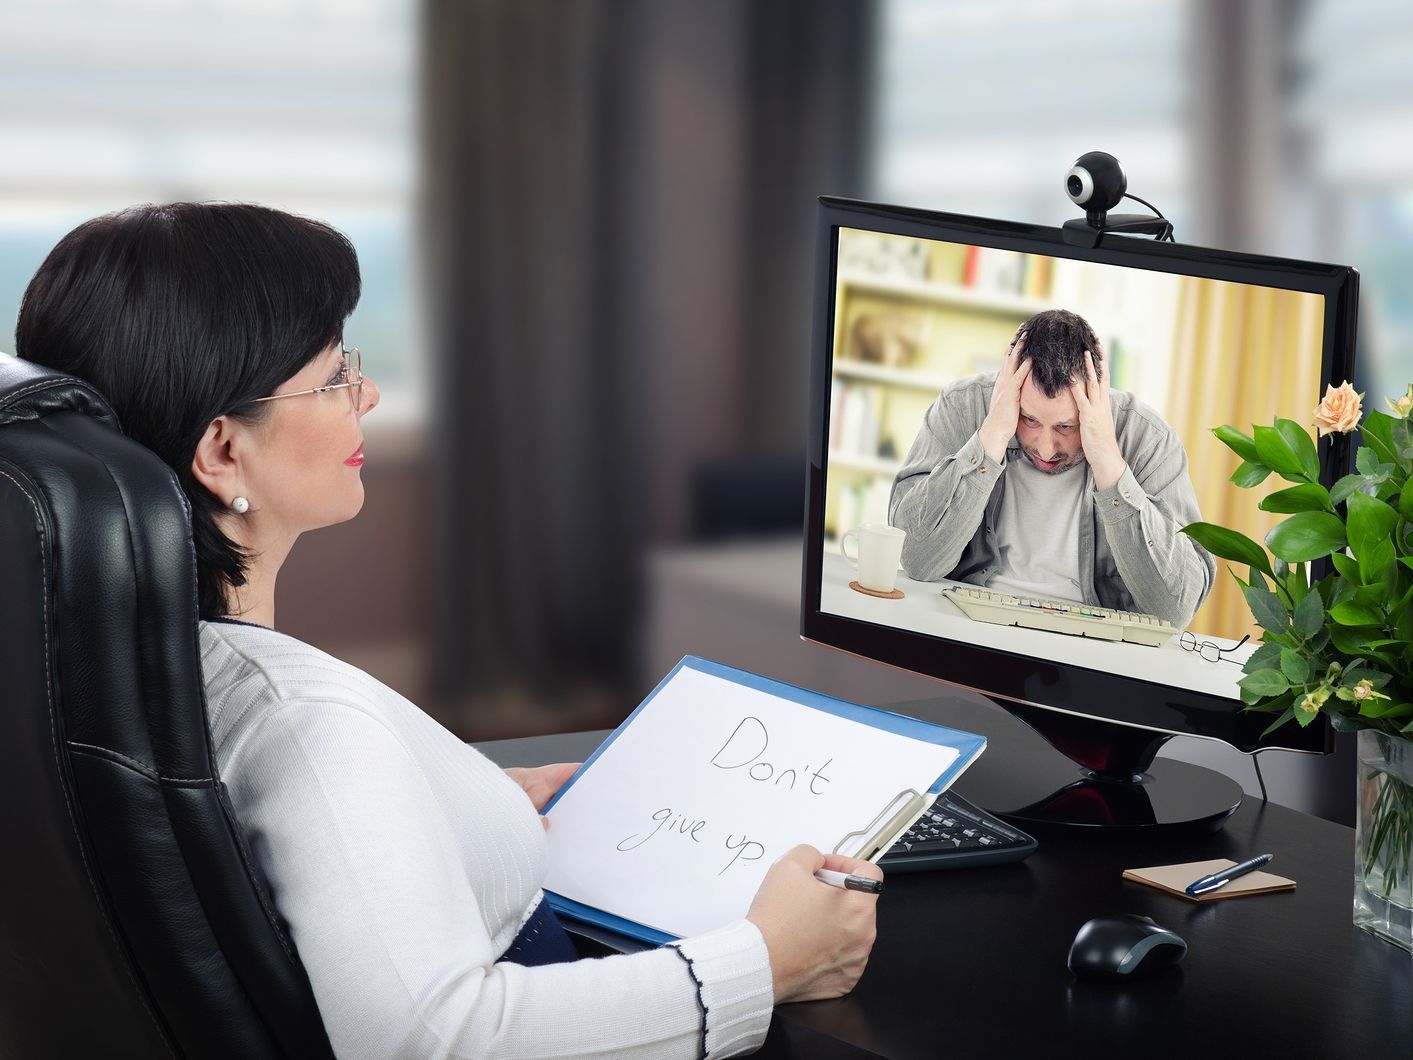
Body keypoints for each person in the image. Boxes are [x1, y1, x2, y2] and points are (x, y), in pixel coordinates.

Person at [15, 203, 880, 1059]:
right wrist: (765, 961)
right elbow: (433, 1040)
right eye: (332, 374)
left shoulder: (91, 669)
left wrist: (455, 804)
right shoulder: (305, 722)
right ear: (222, 452)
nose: (367, 391)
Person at [889, 308, 1213, 629]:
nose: (1046, 448)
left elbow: (1176, 608)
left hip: (1089, 649)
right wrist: (990, 439)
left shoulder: (1148, 437)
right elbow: (917, 559)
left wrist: (1108, 463)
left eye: (1066, 427)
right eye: (1030, 419)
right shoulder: (962, 405)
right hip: (967, 625)